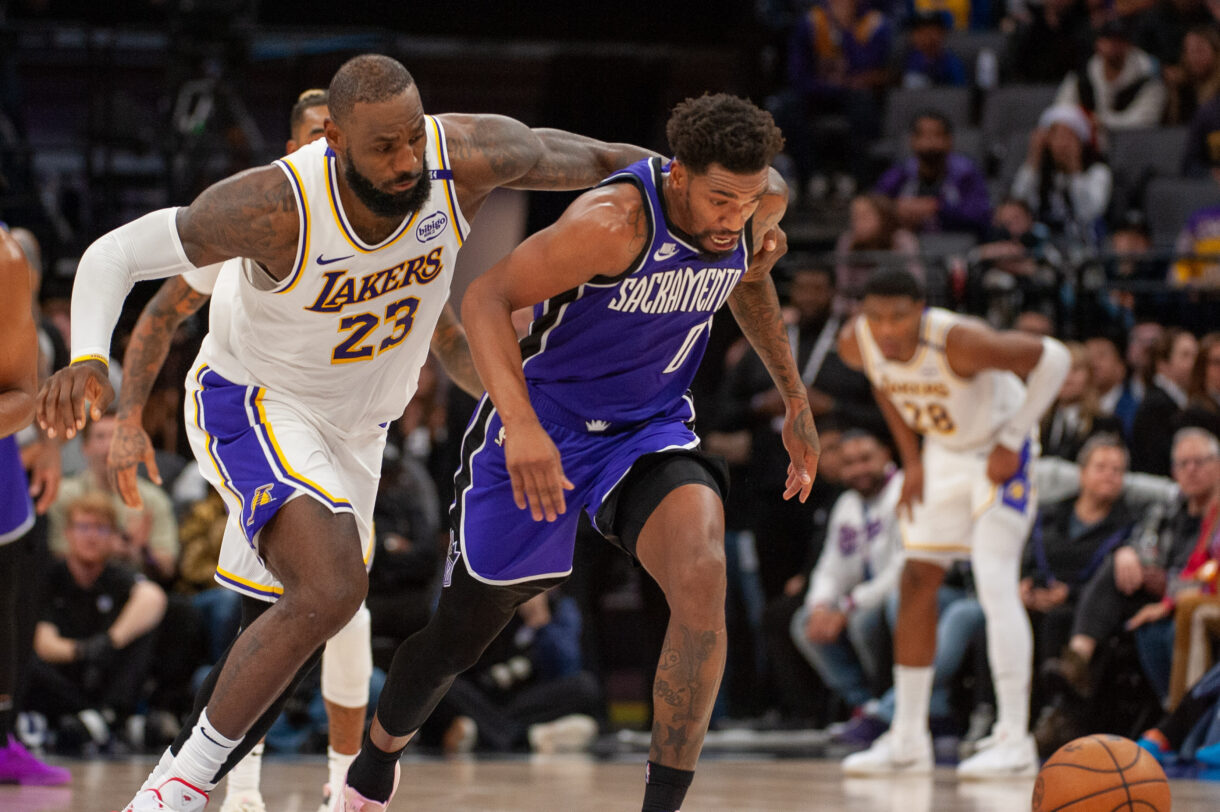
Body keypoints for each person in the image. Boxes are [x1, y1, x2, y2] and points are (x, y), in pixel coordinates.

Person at [36, 53, 660, 812]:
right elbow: (117, 254)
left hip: (360, 431)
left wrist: (705, 191)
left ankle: (265, 783)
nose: (406, 162)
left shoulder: (459, 159)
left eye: (411, 138)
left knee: (296, 620)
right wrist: (91, 359)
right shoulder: (277, 204)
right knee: (334, 588)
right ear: (332, 139)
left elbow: (601, 161)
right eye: (383, 147)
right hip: (254, 400)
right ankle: (177, 789)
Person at [338, 93, 818, 812]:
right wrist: (521, 426)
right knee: (461, 636)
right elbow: (485, 301)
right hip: (546, 424)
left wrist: (796, 397)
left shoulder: (757, 206)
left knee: (702, 573)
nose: (735, 217)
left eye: (748, 202)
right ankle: (374, 766)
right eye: (722, 199)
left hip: (646, 429)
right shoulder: (612, 224)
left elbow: (749, 278)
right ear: (679, 175)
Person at [108, 87, 481, 812]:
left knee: (338, 612)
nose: (331, 153)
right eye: (317, 137)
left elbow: (447, 338)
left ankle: (334, 786)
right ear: (298, 149)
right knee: (298, 608)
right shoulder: (266, 224)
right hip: (261, 417)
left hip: (351, 436)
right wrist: (127, 417)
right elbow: (158, 316)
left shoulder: (399, 228)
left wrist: (519, 393)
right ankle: (229, 788)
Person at [837, 268, 1070, 778]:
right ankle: (907, 737)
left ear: (921, 310)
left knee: (993, 577)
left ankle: (1014, 738)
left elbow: (1055, 358)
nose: (888, 328)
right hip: (943, 453)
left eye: (899, 316)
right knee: (917, 578)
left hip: (999, 449)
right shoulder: (857, 343)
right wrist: (913, 461)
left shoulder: (960, 341)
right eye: (876, 317)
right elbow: (884, 387)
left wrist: (1014, 438)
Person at [0, 226, 69, 784]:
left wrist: (48, 444)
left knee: (14, 607)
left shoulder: (6, 259)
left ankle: (3, 736)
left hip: (10, 466)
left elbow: (32, 385)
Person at [28, 492, 168, 752]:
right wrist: (85, 650)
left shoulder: (117, 576)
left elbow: (153, 597)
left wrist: (109, 642)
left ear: (114, 537)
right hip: (64, 674)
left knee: (150, 626)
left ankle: (106, 716)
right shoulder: (51, 577)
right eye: (83, 527)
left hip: (108, 670)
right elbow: (45, 644)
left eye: (101, 529)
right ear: (68, 533)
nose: (91, 536)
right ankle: (102, 718)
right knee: (26, 657)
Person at [789, 430, 903, 719]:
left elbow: (903, 568)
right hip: (862, 598)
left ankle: (891, 702)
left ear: (886, 455)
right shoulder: (847, 504)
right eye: (849, 463)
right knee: (804, 622)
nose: (858, 470)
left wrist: (848, 605)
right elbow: (830, 566)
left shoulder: (904, 491)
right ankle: (865, 707)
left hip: (896, 593)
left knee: (863, 621)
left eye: (866, 459)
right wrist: (820, 607)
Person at [1021, 434, 1136, 678]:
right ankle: (988, 707)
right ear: (1082, 473)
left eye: (1117, 470)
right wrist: (1025, 585)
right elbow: (1026, 555)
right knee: (1005, 620)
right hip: (1035, 596)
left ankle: (1056, 705)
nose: (1109, 475)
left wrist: (1067, 594)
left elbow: (1110, 582)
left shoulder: (1128, 526)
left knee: (1056, 620)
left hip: (1081, 607)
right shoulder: (1049, 514)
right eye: (1101, 467)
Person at [47, 411, 179, 582]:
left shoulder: (153, 499)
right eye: (100, 437)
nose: (109, 446)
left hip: (135, 587)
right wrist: (106, 548)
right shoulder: (62, 494)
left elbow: (168, 567)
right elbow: (53, 554)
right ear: (85, 447)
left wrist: (142, 551)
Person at [1010, 104, 1112, 255]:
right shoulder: (1039, 171)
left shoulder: (1098, 172)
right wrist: (1033, 159)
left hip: (1083, 245)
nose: (1062, 143)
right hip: (1041, 246)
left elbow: (1089, 212)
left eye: (1069, 136)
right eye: (1056, 135)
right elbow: (1019, 203)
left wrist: (1074, 170)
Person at [874, 111, 991, 237]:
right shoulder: (900, 173)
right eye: (922, 135)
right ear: (912, 140)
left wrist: (937, 208)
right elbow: (875, 204)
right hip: (908, 247)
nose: (929, 142)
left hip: (955, 245)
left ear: (949, 140)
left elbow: (981, 217)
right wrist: (896, 208)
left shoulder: (966, 173)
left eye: (936, 135)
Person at [1053, 18, 1166, 132]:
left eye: (1120, 40)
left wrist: (1100, 122)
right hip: (1087, 145)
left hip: (1135, 146)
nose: (1114, 45)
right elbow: (1061, 111)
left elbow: (1144, 121)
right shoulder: (1080, 75)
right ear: (1098, 43)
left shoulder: (1148, 77)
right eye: (1109, 39)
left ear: (1129, 45)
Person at [1038, 342, 1123, 461]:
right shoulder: (1040, 422)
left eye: (1075, 369)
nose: (1068, 377)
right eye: (1062, 370)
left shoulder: (1106, 424)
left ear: (1089, 376)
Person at [1131, 328, 1199, 476]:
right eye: (1185, 355)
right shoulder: (1156, 406)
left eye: (1196, 355)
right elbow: (1157, 464)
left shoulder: (1178, 401)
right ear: (1162, 363)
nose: (1194, 363)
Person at [835, 194, 923, 305]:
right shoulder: (847, 241)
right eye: (854, 217)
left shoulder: (903, 240)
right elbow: (843, 288)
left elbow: (916, 283)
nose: (857, 223)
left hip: (898, 306)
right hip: (858, 308)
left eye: (864, 216)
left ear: (883, 217)